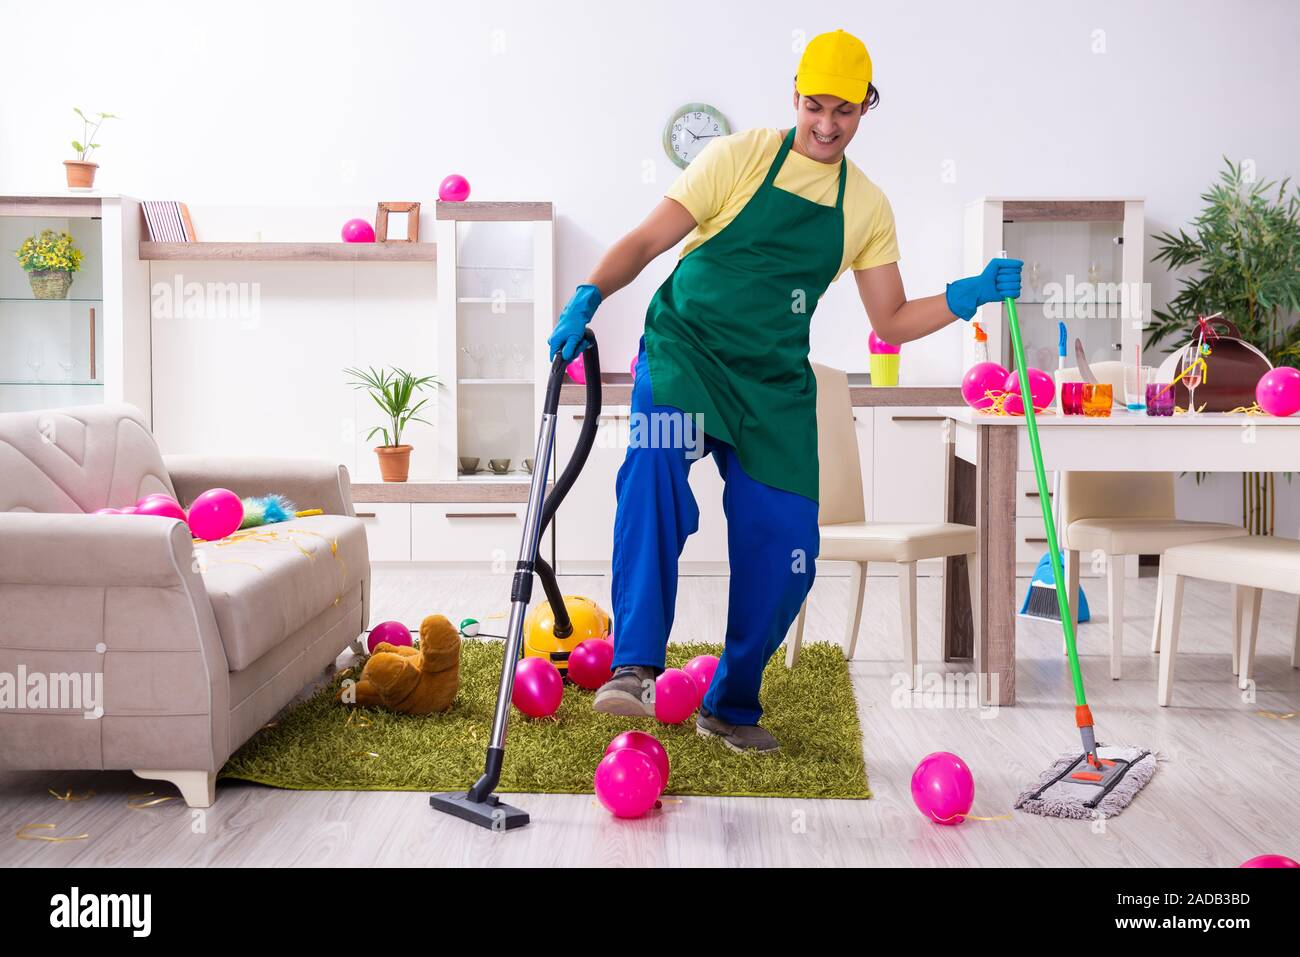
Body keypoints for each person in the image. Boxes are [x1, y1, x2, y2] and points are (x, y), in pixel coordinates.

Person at [548, 29, 1021, 753]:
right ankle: (636, 663)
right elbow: (646, 242)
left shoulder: (864, 205)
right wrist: (588, 294)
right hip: (687, 356)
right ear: (793, 96)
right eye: (815, 107)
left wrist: (966, 295)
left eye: (846, 111)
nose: (828, 125)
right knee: (652, 474)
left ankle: (731, 702)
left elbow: (888, 319)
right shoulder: (736, 158)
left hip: (771, 386)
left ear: (867, 108)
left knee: (789, 540)